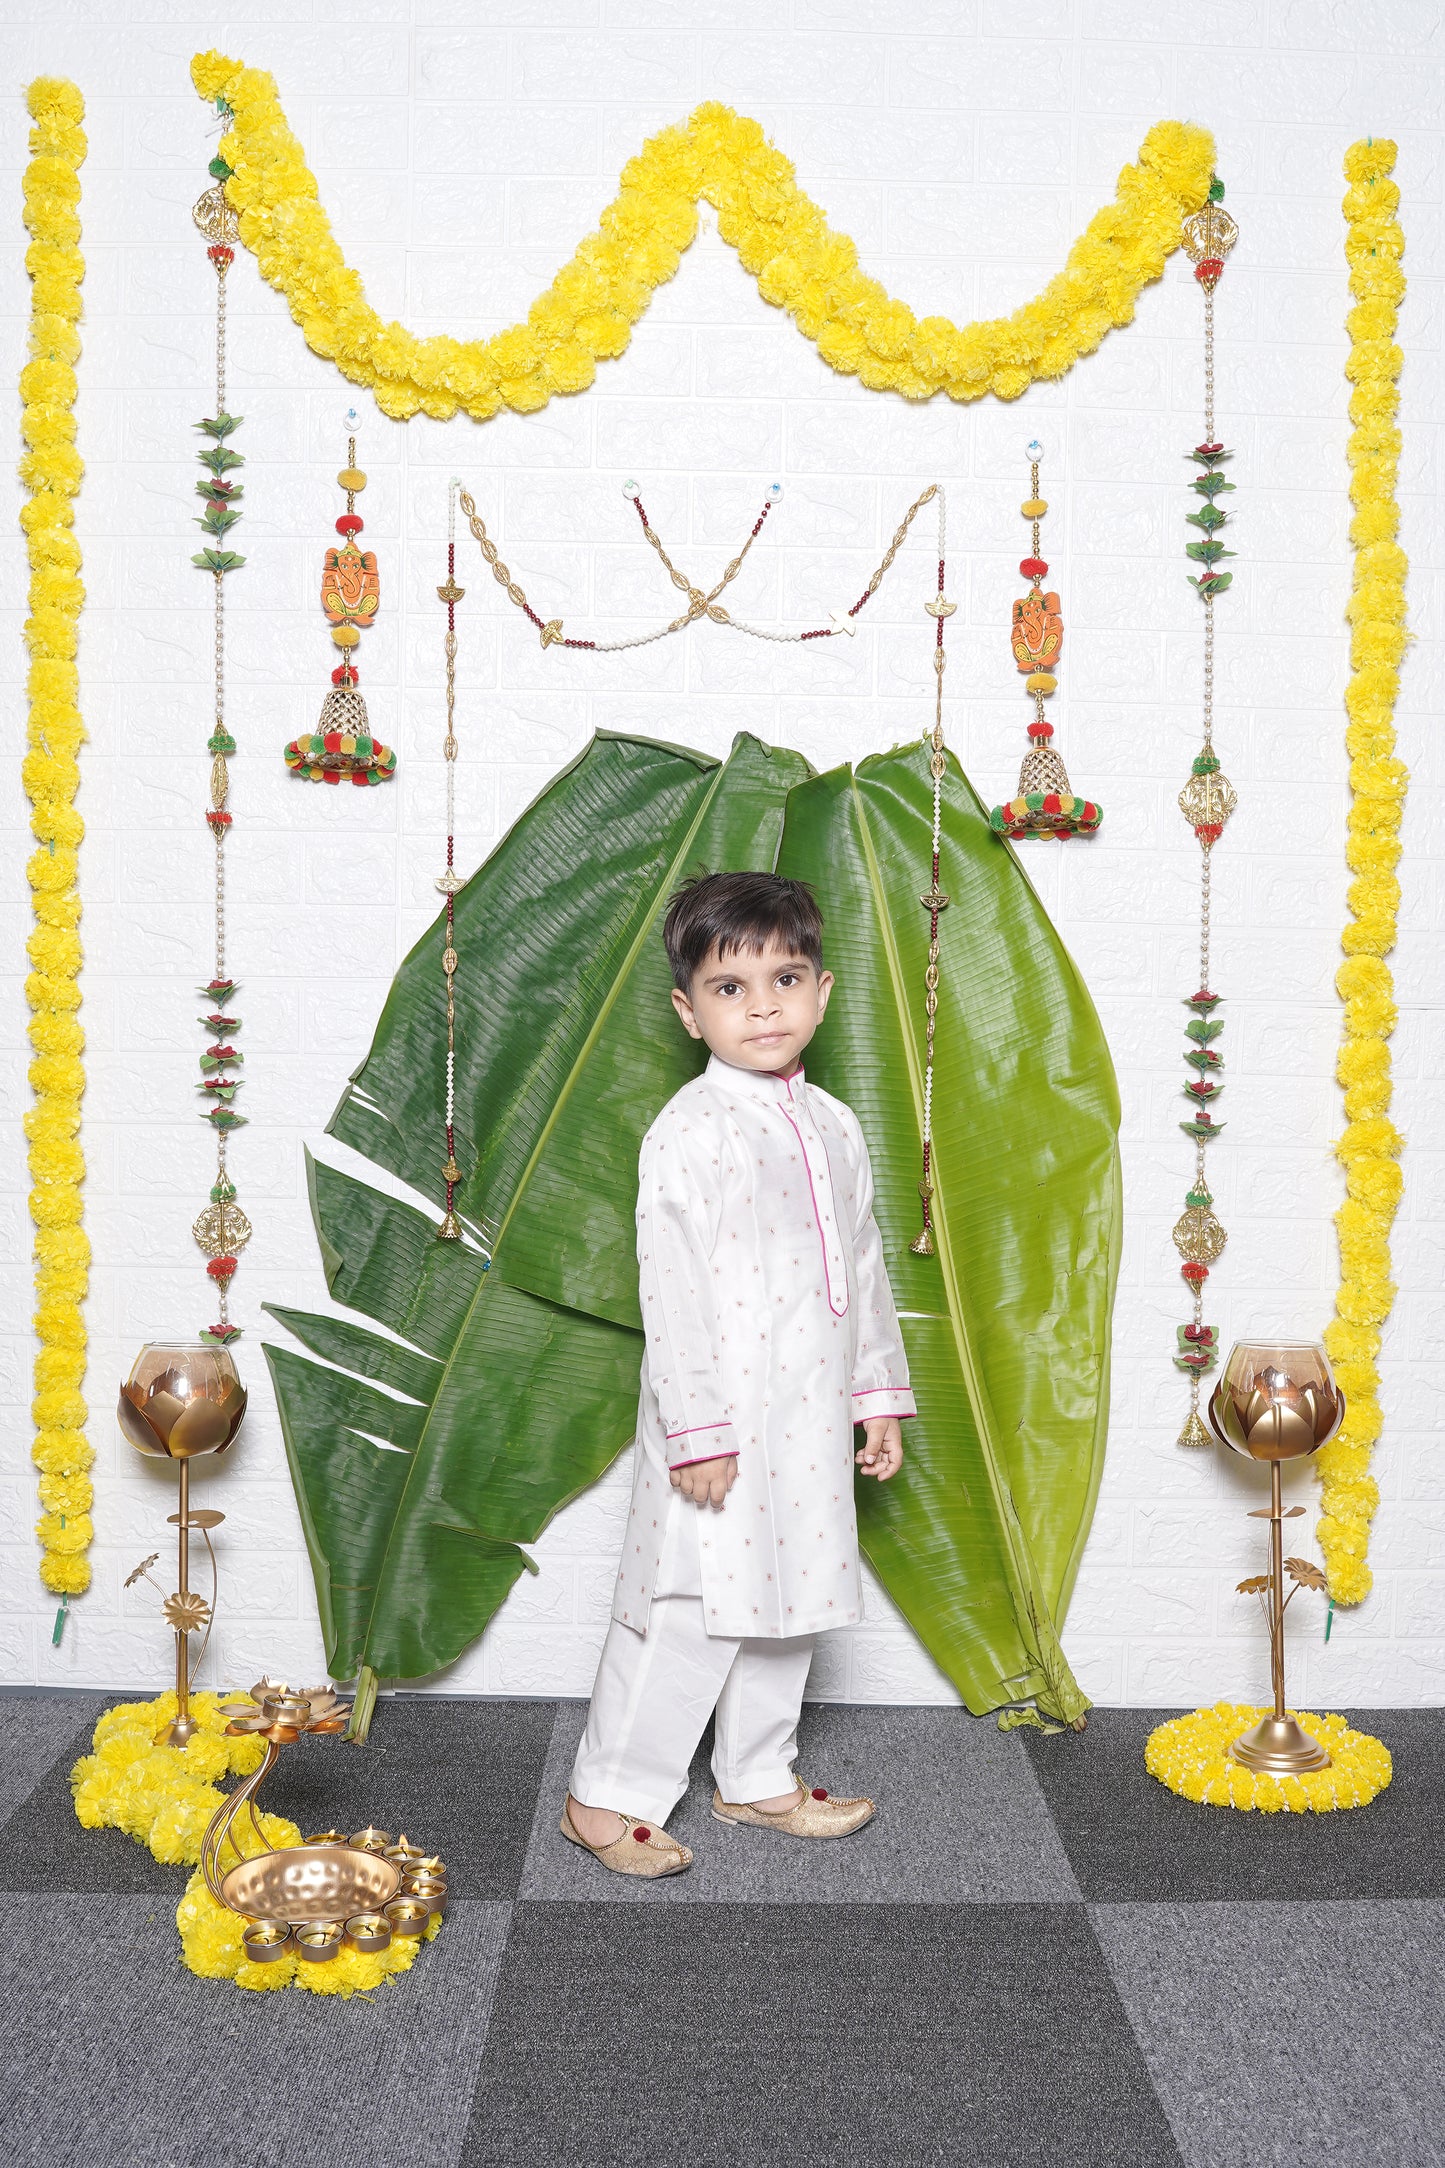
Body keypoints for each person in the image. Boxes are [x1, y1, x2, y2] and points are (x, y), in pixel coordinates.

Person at [562, 870, 916, 1878]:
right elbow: (667, 1288)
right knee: (683, 1604)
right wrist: (699, 1429)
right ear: (686, 1009)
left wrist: (875, 1393)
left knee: (790, 1594)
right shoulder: (690, 1129)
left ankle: (757, 1776)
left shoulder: (834, 1124)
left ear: (822, 989)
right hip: (716, 1422)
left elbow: (861, 1266)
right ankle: (604, 1797)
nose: (762, 1003)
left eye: (784, 975)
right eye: (729, 986)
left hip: (807, 1420)